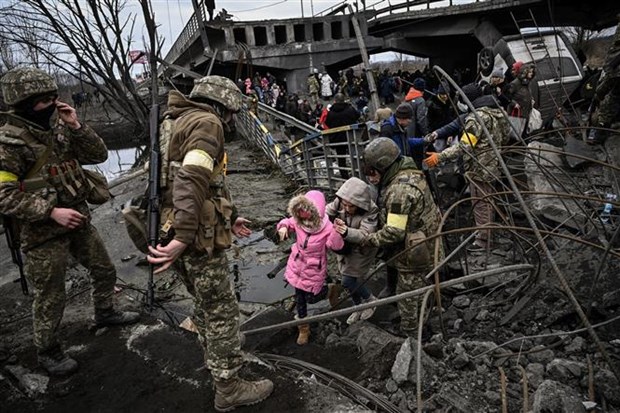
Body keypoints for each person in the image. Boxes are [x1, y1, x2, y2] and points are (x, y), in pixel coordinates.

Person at [0, 67, 140, 376]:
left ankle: (105, 312)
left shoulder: (58, 129)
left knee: (104, 269)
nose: (50, 105)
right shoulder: (9, 144)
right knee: (51, 294)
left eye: (53, 98)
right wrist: (50, 212)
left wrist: (75, 124)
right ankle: (48, 350)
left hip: (78, 219)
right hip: (42, 232)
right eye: (43, 101)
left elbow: (99, 154)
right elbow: (4, 194)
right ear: (22, 103)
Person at [146, 75, 273, 412]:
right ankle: (229, 386)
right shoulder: (207, 122)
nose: (230, 121)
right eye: (231, 113)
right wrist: (186, 236)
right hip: (195, 233)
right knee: (221, 309)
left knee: (204, 301)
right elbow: (191, 179)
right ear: (221, 105)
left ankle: (215, 354)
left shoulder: (174, 121)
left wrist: (231, 217)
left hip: (175, 224)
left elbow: (197, 182)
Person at [361, 138, 442, 337]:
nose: (370, 178)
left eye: (371, 172)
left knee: (407, 292)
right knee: (422, 285)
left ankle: (411, 332)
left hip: (415, 250)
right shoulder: (409, 170)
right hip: (429, 240)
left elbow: (394, 232)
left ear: (383, 166)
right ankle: (423, 317)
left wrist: (368, 240)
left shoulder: (399, 191)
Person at [424, 82, 511, 252]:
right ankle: (489, 232)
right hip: (494, 165)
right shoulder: (496, 111)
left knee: (480, 203)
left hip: (480, 168)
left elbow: (464, 147)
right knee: (489, 199)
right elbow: (506, 137)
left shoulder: (475, 120)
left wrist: (439, 157)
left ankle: (483, 241)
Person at [277, 190, 344, 345]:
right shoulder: (298, 221)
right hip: (297, 265)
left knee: (311, 297)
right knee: (300, 298)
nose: (300, 213)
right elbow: (288, 221)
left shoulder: (327, 228)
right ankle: (303, 328)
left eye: (304, 209)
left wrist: (336, 232)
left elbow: (335, 246)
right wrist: (283, 227)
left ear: (315, 211)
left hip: (314, 269)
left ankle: (330, 290)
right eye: (299, 209)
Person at [325, 177, 379, 325]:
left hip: (362, 249)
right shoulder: (340, 201)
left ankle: (370, 300)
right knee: (350, 279)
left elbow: (366, 234)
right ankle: (358, 306)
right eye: (345, 205)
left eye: (351, 206)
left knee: (348, 280)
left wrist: (346, 231)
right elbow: (325, 213)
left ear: (360, 204)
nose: (347, 209)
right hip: (343, 247)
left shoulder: (371, 210)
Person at [588, 19, 620, 145]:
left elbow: (608, 82)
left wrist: (598, 94)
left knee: (609, 104)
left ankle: (599, 136)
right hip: (614, 75)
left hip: (614, 77)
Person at [380, 103, 433, 169]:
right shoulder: (387, 129)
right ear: (402, 118)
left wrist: (423, 140)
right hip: (396, 167)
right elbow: (385, 151)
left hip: (403, 163)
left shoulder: (401, 128)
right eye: (409, 119)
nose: (410, 121)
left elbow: (407, 141)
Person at [325, 93, 360, 179]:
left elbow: (327, 123)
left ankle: (345, 177)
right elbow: (357, 115)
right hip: (351, 136)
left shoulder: (331, 113)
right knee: (355, 155)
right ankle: (358, 174)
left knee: (341, 159)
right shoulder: (350, 109)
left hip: (338, 139)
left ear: (335, 101)